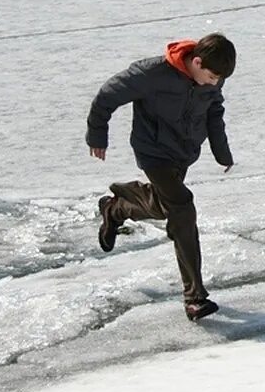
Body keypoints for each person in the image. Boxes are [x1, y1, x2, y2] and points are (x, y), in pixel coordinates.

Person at [86, 33, 236, 321]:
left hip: (184, 152)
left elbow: (214, 111)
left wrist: (222, 152)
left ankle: (115, 208)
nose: (215, 82)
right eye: (212, 75)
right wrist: (97, 134)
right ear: (196, 61)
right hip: (153, 152)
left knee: (163, 206)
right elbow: (107, 96)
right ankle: (195, 298)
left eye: (221, 78)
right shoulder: (151, 74)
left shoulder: (213, 77)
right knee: (182, 208)